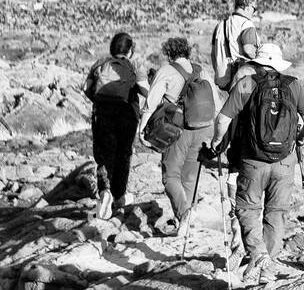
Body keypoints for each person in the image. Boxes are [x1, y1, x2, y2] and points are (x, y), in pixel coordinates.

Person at [209, 43, 304, 286]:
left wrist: (217, 142)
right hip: (285, 160)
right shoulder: (294, 85)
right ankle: (267, 269)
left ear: (258, 63)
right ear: (278, 64)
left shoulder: (247, 84)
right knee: (276, 213)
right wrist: (298, 139)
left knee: (247, 209)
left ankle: (258, 255)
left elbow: (223, 120)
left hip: (252, 159)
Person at [138, 38, 221, 231]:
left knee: (170, 176)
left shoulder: (166, 71)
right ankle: (187, 220)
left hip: (177, 128)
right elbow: (216, 104)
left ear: (169, 53)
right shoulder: (201, 70)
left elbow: (150, 104)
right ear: (188, 52)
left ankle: (184, 215)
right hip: (203, 128)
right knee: (190, 177)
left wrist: (142, 130)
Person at [83, 32, 147, 219]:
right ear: (130, 50)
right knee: (123, 154)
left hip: (102, 114)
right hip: (127, 114)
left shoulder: (100, 64)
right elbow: (146, 90)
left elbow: (86, 88)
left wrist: (98, 102)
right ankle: (119, 196)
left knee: (104, 155)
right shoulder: (134, 65)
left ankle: (104, 192)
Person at [210, 0, 260, 91]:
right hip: (243, 80)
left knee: (228, 105)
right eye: (254, 9)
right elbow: (248, 49)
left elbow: (213, 55)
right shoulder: (246, 24)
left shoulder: (220, 25)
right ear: (248, 6)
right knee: (244, 105)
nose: (253, 13)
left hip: (222, 80)